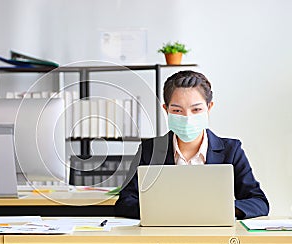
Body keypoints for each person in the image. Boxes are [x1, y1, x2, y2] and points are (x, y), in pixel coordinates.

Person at [115, 70, 269, 220]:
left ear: (209, 108)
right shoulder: (149, 150)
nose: (187, 117)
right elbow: (125, 203)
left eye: (196, 109)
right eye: (177, 110)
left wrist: (220, 209)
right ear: (166, 109)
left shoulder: (231, 150)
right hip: (162, 237)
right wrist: (168, 210)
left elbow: (259, 202)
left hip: (215, 237)